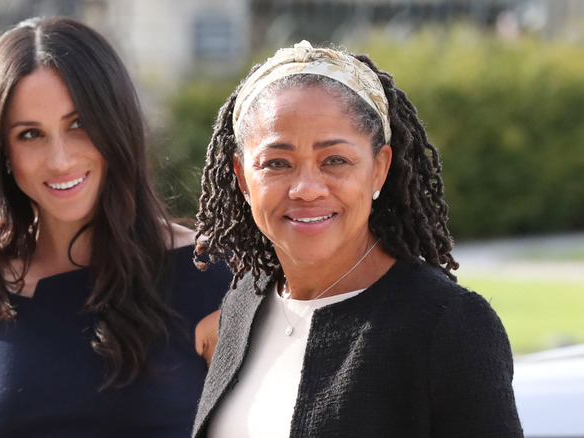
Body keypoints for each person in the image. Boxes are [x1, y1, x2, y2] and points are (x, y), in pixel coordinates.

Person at [0, 17, 231, 438]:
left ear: (116, 124)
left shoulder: (212, 274)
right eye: (30, 134)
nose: (60, 159)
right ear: (2, 151)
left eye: (78, 124)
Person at [192, 41, 523, 437]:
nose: (306, 188)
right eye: (276, 163)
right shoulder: (244, 304)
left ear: (379, 169)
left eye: (335, 160)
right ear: (243, 177)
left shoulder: (445, 324)